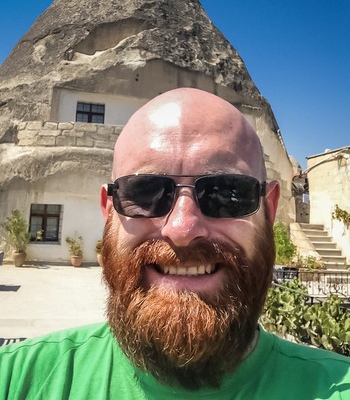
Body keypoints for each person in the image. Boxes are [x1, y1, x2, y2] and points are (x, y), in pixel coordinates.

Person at [0, 88, 349, 399]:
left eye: (226, 193)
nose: (182, 228)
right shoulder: (17, 379)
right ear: (109, 211)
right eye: (146, 193)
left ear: (269, 209)